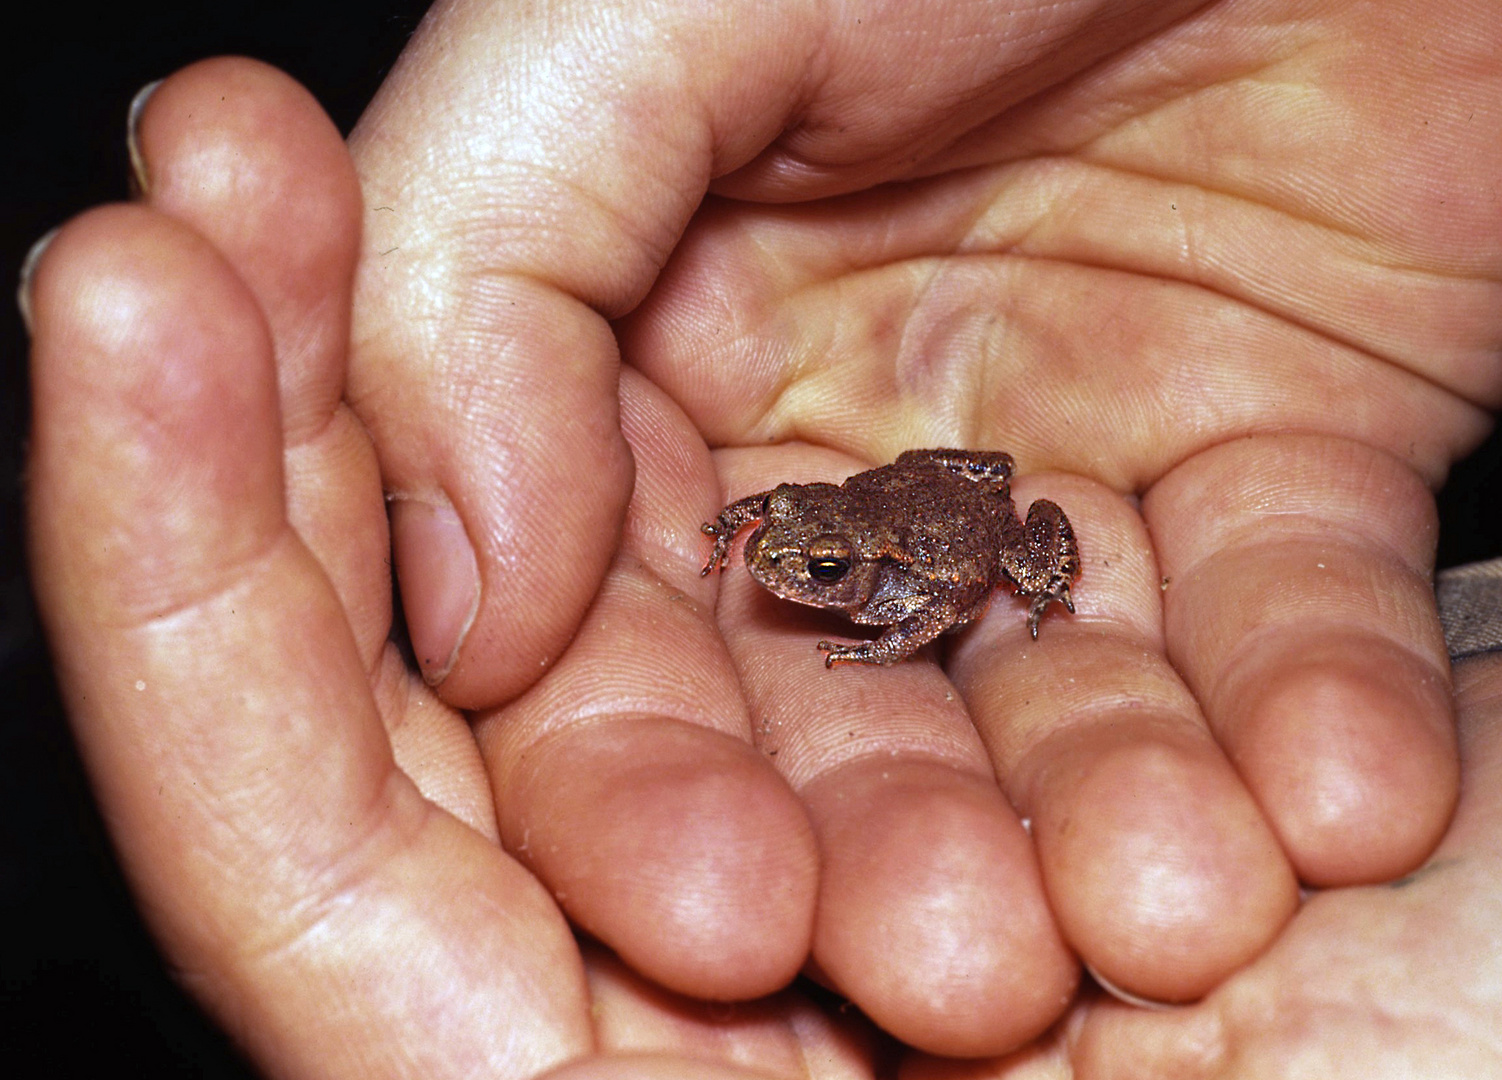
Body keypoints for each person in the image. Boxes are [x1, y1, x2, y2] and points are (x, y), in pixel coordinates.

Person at [21, 0, 1502, 1073]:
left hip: (965, 515)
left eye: (808, 573)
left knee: (1025, 553)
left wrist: (896, 631)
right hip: (910, 478)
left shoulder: (908, 579)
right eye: (788, 562)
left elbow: (935, 597)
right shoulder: (808, 527)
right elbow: (777, 517)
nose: (788, 575)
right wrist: (746, 532)